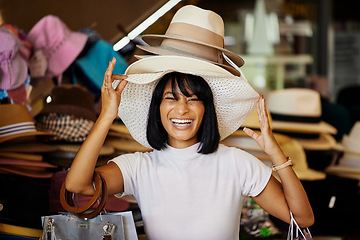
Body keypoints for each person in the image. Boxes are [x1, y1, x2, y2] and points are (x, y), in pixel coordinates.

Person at [64, 5, 314, 240]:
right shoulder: (139, 167)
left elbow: (302, 219)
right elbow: (78, 185)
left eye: (193, 99)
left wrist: (274, 152)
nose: (181, 109)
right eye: (170, 98)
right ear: (157, 108)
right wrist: (106, 117)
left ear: (207, 108)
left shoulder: (237, 164)